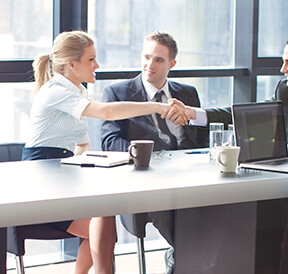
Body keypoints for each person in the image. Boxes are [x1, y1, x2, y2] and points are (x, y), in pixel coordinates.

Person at [22, 30, 186, 274]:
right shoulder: (56, 90)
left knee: (103, 219)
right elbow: (107, 113)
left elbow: (82, 146)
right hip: (42, 174)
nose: (97, 65)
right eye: (91, 59)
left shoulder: (78, 92)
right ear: (71, 64)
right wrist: (156, 107)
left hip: (62, 171)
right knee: (102, 224)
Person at [100, 31, 206, 274]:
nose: (150, 64)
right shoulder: (119, 93)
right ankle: (184, 254)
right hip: (148, 182)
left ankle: (182, 255)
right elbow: (109, 142)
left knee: (225, 206)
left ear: (172, 64)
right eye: (147, 57)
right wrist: (151, 156)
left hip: (191, 178)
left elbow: (201, 141)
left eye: (158, 59)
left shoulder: (187, 93)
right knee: (184, 224)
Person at [166, 31, 288, 158]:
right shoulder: (286, 89)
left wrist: (282, 150)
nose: (283, 70)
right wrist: (193, 113)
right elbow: (248, 115)